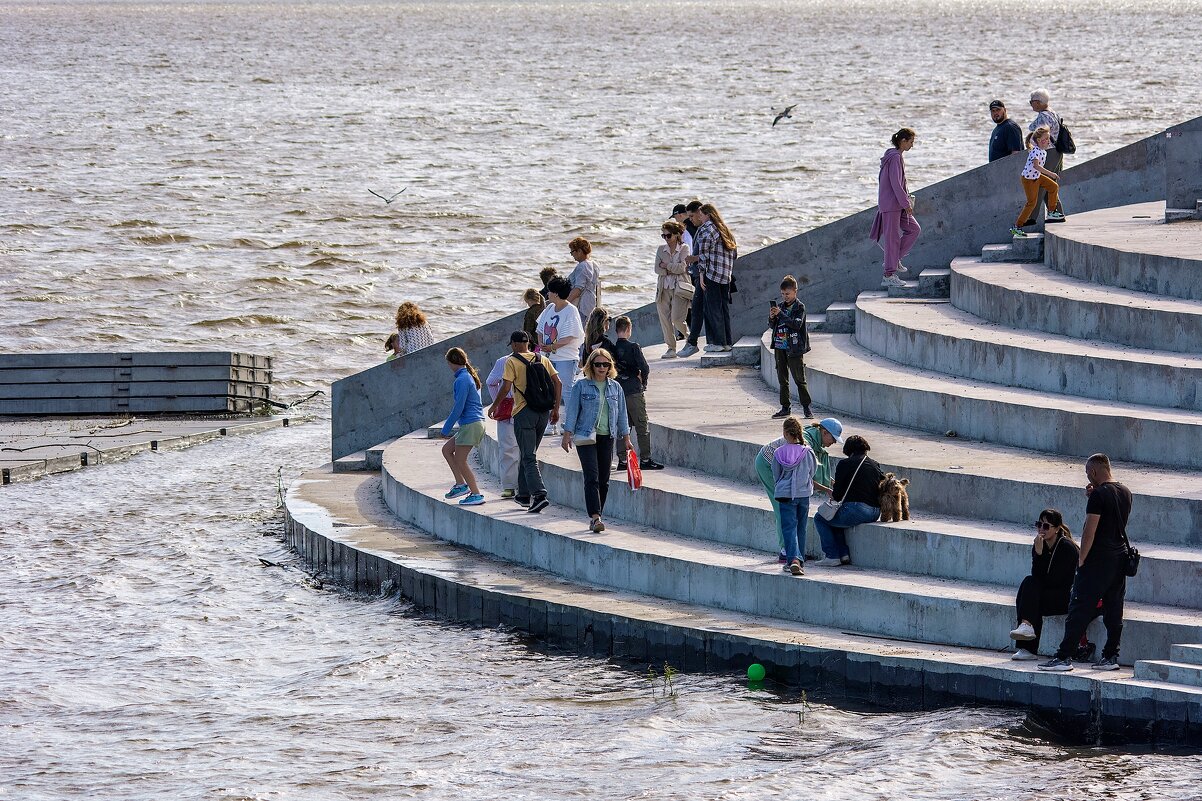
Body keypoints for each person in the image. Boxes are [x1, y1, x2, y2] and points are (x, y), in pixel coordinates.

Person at [1039, 454, 1133, 672]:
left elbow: (1090, 530)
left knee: (1079, 606)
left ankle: (1063, 657)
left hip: (1098, 560)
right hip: (1119, 557)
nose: (1087, 476)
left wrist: (1081, 559)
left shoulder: (1098, 496)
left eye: (1087, 472)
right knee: (1114, 608)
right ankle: (1110, 657)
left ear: (1093, 472)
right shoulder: (1125, 491)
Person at [488, 331, 562, 514]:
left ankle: (539, 495)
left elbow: (505, 387)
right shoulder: (541, 359)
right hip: (543, 413)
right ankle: (523, 494)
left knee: (528, 456)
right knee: (528, 451)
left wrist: (493, 406)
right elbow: (558, 383)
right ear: (528, 342)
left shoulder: (511, 361)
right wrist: (556, 409)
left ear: (514, 344)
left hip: (523, 412)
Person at [561, 348, 633, 533]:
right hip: (586, 435)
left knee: (604, 479)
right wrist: (567, 434)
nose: (602, 367)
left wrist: (626, 439)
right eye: (598, 364)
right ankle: (595, 518)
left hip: (607, 436)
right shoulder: (581, 385)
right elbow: (572, 411)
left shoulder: (615, 387)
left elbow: (622, 415)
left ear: (610, 366)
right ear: (591, 365)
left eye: (606, 364)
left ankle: (598, 513)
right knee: (591, 477)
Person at [1010, 509, 1080, 660]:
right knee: (1028, 585)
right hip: (1048, 594)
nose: (1041, 529)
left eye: (1046, 526)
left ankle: (1027, 644)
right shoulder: (1039, 545)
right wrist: (1039, 553)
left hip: (1066, 598)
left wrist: (1041, 555)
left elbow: (1055, 580)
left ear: (1056, 529)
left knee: (1030, 590)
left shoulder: (1067, 548)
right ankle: (1026, 634)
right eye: (1039, 525)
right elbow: (1037, 577)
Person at [812, 435, 884, 567]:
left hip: (858, 510)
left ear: (848, 450)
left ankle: (832, 555)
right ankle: (843, 554)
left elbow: (838, 495)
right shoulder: (875, 464)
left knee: (821, 518)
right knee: (835, 518)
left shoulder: (844, 464)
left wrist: (832, 494)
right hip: (875, 512)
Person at [870, 128, 921, 289]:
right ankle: (889, 275)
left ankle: (893, 260)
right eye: (911, 142)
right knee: (892, 239)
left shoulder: (893, 156)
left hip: (895, 204)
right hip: (892, 205)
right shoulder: (894, 158)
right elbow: (895, 183)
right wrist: (906, 204)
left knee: (914, 229)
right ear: (903, 141)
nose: (912, 145)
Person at [611, 315, 663, 471]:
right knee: (641, 425)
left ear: (616, 330)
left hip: (619, 389)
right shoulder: (634, 347)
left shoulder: (612, 348)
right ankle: (645, 458)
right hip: (633, 389)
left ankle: (622, 460)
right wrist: (643, 381)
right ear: (628, 329)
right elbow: (645, 367)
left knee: (623, 425)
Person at [536, 276, 585, 433]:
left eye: (550, 291)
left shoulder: (571, 310)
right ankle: (551, 425)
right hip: (548, 357)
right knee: (549, 390)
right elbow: (540, 329)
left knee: (566, 390)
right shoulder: (549, 309)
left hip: (566, 357)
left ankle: (569, 424)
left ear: (556, 293)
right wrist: (543, 345)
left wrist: (553, 346)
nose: (547, 294)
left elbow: (571, 335)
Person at [439, 347, 486, 506]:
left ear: (452, 362)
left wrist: (446, 429)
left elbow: (458, 407)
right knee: (446, 450)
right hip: (472, 424)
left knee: (461, 460)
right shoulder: (466, 376)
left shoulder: (462, 379)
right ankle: (460, 485)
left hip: (472, 424)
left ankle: (476, 494)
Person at [687, 202, 737, 352]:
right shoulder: (724, 229)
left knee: (712, 309)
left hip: (711, 275)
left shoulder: (706, 230)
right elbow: (734, 254)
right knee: (723, 310)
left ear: (707, 215)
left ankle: (716, 343)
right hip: (725, 275)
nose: (700, 219)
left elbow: (704, 255)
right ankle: (727, 342)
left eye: (701, 215)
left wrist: (701, 276)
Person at [772, 416, 817, 576]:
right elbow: (813, 472)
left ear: (785, 433)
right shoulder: (808, 451)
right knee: (801, 528)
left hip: (785, 495)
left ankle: (793, 561)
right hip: (803, 494)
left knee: (789, 528)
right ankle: (800, 560)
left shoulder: (778, 452)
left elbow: (776, 476)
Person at [769, 274, 812, 420]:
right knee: (782, 378)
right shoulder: (780, 307)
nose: (785, 297)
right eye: (782, 294)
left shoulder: (800, 307)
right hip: (780, 346)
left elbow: (796, 324)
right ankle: (785, 407)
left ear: (795, 291)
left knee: (799, 378)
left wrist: (780, 315)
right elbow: (771, 326)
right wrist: (772, 317)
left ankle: (806, 407)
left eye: (787, 294)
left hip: (794, 347)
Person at [1011, 126, 1066, 238]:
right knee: (1031, 204)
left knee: (1053, 187)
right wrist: (1051, 174)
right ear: (1039, 141)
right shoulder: (1035, 152)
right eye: (1046, 139)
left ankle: (1051, 211)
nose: (1048, 141)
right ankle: (1017, 227)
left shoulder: (1043, 152)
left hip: (1037, 177)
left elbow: (1038, 169)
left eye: (1049, 138)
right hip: (1029, 180)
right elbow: (1036, 166)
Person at [486, 347, 521, 499]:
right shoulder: (537, 358)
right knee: (527, 449)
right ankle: (526, 487)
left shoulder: (503, 361)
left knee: (507, 449)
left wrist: (497, 402)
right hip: (529, 409)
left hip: (508, 410)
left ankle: (509, 487)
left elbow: (491, 382)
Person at [655, 220, 693, 358]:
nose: (666, 238)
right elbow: (657, 269)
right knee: (664, 319)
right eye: (663, 236)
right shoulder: (660, 249)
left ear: (677, 235)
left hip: (680, 287)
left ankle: (689, 337)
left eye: (668, 235)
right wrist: (672, 267)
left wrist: (667, 266)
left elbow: (683, 267)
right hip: (663, 288)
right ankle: (671, 348)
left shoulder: (684, 248)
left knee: (677, 318)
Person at [1027, 88, 1065, 222]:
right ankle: (1057, 213)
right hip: (1056, 152)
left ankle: (1031, 217)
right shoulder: (1052, 113)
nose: (1031, 104)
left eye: (1031, 102)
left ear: (1037, 102)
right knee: (1049, 184)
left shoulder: (1043, 116)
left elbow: (1041, 137)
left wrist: (1030, 146)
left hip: (1048, 153)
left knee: (1041, 184)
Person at [678, 199, 707, 357]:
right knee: (700, 309)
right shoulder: (697, 228)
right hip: (701, 274)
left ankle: (693, 342)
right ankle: (696, 342)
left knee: (698, 309)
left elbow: (706, 254)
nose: (690, 219)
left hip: (703, 276)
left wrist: (693, 261)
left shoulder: (695, 229)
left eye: (691, 216)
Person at [567, 237, 600, 320]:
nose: (571, 254)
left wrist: (565, 303)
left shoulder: (581, 266)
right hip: (592, 302)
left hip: (582, 305)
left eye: (572, 252)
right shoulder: (593, 264)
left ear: (579, 251)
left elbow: (578, 289)